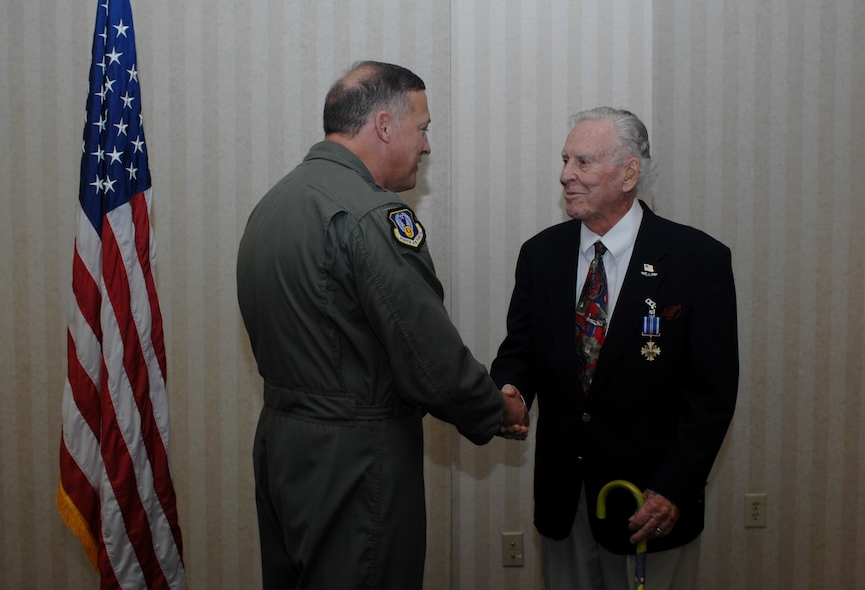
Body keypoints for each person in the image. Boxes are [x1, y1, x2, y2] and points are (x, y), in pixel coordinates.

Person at [236, 60, 529, 590]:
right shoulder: (371, 217)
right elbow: (426, 353)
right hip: (356, 460)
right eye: (423, 128)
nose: (427, 146)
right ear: (385, 126)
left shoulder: (273, 205)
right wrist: (495, 409)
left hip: (283, 449)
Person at [490, 107, 738, 589]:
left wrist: (672, 488)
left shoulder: (698, 261)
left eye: (583, 162)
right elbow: (519, 351)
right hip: (564, 498)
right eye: (565, 160)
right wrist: (510, 390)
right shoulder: (540, 254)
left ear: (630, 172)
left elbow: (712, 396)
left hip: (650, 502)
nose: (565, 175)